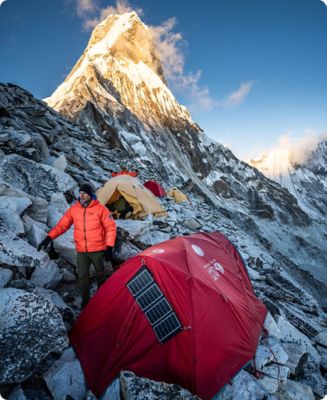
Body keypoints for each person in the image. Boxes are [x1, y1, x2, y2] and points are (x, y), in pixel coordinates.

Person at [37, 183, 117, 308]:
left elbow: (111, 228)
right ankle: (86, 301)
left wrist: (109, 247)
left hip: (97, 249)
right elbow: (62, 226)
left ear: (91, 194)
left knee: (101, 274)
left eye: (84, 193)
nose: (82, 195)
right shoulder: (74, 210)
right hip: (81, 250)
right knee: (82, 276)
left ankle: (103, 297)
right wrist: (49, 237)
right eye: (80, 193)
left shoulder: (101, 209)